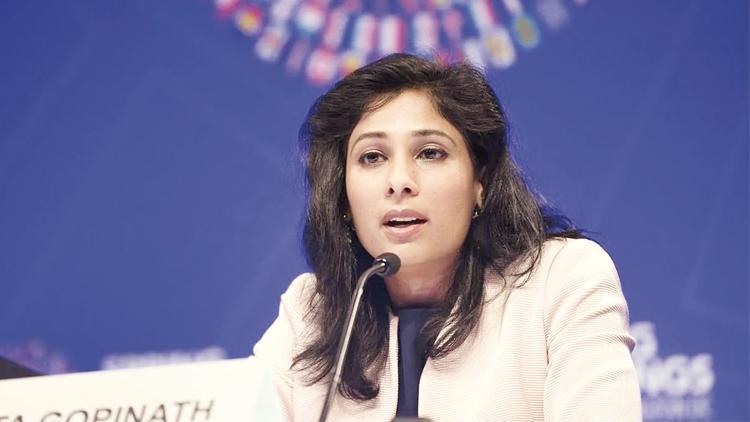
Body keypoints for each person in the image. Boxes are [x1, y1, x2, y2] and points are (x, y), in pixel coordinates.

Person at [253, 53, 642, 421]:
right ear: (342, 195)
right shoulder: (312, 311)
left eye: (430, 153)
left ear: (480, 181)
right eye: (372, 157)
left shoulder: (561, 279)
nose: (399, 182)